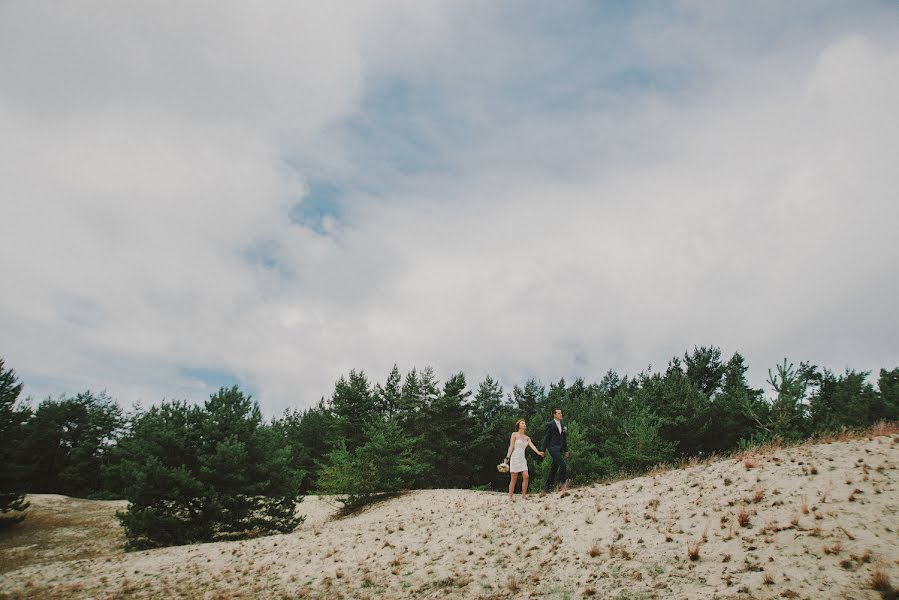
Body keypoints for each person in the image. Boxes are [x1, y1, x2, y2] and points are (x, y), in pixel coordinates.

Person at [503, 419, 544, 501]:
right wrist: (507, 457)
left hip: (522, 459)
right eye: (522, 423)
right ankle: (510, 497)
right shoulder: (514, 434)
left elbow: (532, 446)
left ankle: (524, 496)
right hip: (515, 458)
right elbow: (511, 446)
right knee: (514, 478)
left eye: (525, 423)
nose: (524, 424)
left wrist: (538, 452)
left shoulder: (527, 438)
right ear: (518, 425)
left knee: (526, 476)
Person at [541, 408, 569, 493]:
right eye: (559, 413)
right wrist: (543, 450)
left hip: (560, 448)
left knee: (554, 467)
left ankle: (548, 487)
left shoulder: (562, 424)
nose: (561, 414)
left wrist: (566, 450)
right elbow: (546, 438)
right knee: (563, 464)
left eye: (561, 413)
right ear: (554, 415)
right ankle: (561, 484)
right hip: (553, 448)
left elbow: (564, 439)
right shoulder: (550, 424)